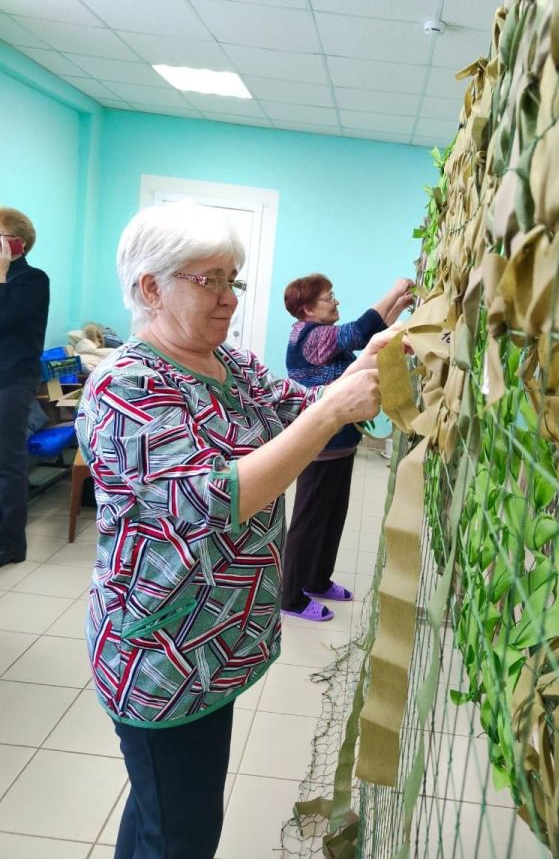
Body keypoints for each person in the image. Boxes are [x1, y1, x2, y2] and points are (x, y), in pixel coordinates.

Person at [75, 202, 391, 859]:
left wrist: (368, 367)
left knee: (159, 808)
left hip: (211, 644)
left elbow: (298, 410)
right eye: (208, 280)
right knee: (183, 833)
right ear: (150, 288)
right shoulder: (125, 387)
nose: (227, 299)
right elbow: (218, 496)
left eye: (232, 280)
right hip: (160, 655)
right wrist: (333, 407)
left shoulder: (231, 364)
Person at [281, 273, 413, 621]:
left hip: (341, 443)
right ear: (308, 309)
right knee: (309, 520)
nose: (335, 301)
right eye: (329, 297)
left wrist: (398, 308)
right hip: (320, 445)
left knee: (333, 516)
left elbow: (368, 339)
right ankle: (291, 596)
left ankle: (317, 580)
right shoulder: (310, 337)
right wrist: (394, 290)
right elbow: (359, 331)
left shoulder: (320, 336)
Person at [0, 207, 50, 567]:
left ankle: (11, 544)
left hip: (13, 380)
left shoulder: (32, 280)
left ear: (16, 244)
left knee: (7, 461)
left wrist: (2, 274)